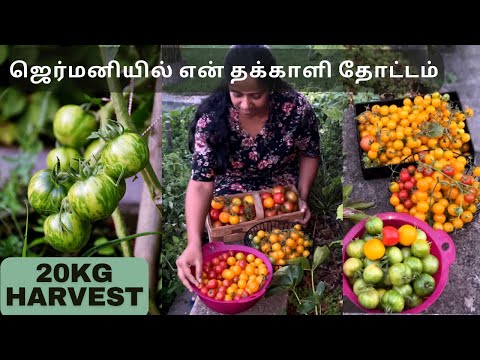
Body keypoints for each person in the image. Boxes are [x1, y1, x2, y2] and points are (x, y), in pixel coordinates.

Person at [176, 45, 321, 291]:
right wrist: (192, 242)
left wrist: (301, 198)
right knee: (227, 236)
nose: (245, 104)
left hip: (280, 186)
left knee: (282, 245)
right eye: (237, 94)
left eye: (256, 95)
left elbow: (310, 152)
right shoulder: (212, 119)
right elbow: (201, 182)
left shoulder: (294, 108)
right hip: (233, 187)